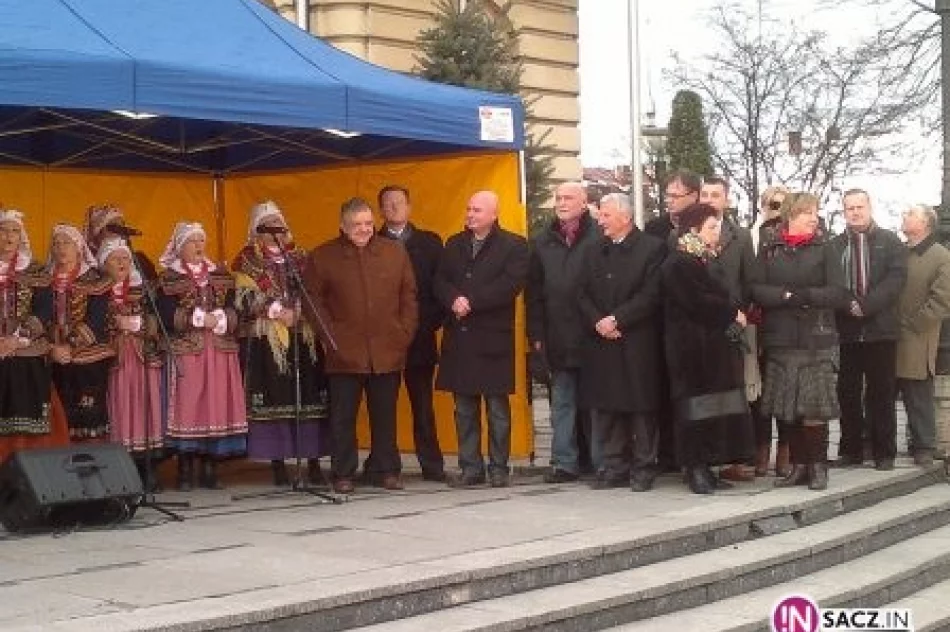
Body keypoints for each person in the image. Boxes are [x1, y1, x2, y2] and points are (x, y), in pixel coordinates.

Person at [303, 197, 417, 494]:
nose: (364, 229)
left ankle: (386, 469)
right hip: (344, 352)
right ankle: (343, 473)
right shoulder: (323, 256)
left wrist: (403, 334)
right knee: (342, 417)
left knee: (385, 416)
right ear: (343, 226)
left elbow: (409, 297)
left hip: (387, 350)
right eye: (357, 225)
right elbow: (312, 302)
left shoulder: (395, 253)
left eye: (368, 223)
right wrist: (330, 338)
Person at [751, 193, 850, 490]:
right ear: (791, 215)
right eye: (808, 212)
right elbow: (755, 287)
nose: (814, 217)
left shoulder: (826, 248)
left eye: (816, 212)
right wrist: (783, 296)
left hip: (816, 338)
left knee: (813, 408)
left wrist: (806, 296)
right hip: (780, 338)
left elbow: (839, 292)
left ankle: (818, 467)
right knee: (789, 407)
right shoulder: (770, 247)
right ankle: (799, 466)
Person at [435, 190, 529, 488]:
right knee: (464, 409)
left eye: (477, 210)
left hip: (492, 339)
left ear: (493, 214)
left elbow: (509, 284)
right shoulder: (454, 243)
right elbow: (439, 279)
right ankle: (470, 467)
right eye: (468, 208)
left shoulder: (513, 245)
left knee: (497, 409)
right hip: (461, 339)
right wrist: (453, 299)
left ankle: (498, 467)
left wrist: (471, 301)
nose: (470, 214)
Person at [233, 201, 329, 487]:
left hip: (302, 336)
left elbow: (316, 289)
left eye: (279, 224)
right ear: (256, 231)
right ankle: (277, 463)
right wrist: (275, 310)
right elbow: (242, 299)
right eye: (268, 225)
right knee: (275, 398)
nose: (276, 231)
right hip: (268, 340)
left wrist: (300, 310)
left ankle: (312, 461)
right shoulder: (246, 260)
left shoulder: (301, 257)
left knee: (310, 397)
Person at [661, 203, 754, 494]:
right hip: (690, 350)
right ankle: (694, 468)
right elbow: (696, 301)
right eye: (711, 228)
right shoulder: (678, 262)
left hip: (712, 347)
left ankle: (709, 465)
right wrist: (730, 311)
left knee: (713, 409)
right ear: (693, 230)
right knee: (694, 409)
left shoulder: (707, 259)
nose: (717, 233)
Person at [577, 193, 664, 492]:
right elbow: (581, 292)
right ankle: (614, 465)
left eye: (606, 215)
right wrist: (598, 320)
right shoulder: (593, 250)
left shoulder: (652, 249)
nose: (600, 221)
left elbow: (651, 294)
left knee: (640, 407)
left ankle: (643, 465)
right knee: (608, 405)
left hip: (636, 339)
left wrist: (618, 319)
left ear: (625, 217)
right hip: (602, 339)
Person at [157, 222, 247, 490]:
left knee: (215, 406)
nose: (198, 246)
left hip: (219, 351)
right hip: (188, 351)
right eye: (191, 241)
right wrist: (197, 318)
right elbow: (164, 312)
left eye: (200, 240)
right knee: (189, 407)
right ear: (179, 247)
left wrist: (220, 317)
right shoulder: (168, 279)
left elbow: (234, 308)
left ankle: (210, 468)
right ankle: (185, 469)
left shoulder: (219, 275)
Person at [829, 189, 907, 470]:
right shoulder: (835, 245)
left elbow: (896, 280)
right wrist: (848, 304)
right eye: (849, 208)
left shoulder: (890, 241)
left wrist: (867, 305)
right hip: (847, 330)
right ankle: (850, 450)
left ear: (870, 207)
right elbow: (832, 281)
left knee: (881, 393)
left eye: (860, 206)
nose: (855, 212)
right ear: (844, 212)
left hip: (880, 329)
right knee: (847, 392)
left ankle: (884, 452)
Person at [527, 181, 599, 483]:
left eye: (569, 197)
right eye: (558, 198)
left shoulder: (598, 237)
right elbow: (534, 294)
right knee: (562, 403)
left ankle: (600, 462)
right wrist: (536, 335)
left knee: (595, 404)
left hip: (593, 335)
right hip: (557, 334)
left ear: (584, 203)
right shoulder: (543, 241)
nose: (561, 202)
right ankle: (564, 463)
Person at [376, 185, 446, 481]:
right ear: (380, 210)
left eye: (399, 202)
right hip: (383, 340)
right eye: (387, 204)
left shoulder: (430, 243)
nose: (393, 208)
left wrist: (426, 324)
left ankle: (432, 465)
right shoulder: (372, 242)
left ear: (409, 206)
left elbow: (440, 288)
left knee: (422, 405)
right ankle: (385, 465)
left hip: (420, 337)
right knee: (384, 406)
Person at [699, 176, 759, 483]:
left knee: (733, 393)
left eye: (716, 194)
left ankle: (732, 458)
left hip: (732, 326)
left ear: (727, 199)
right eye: (705, 194)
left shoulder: (741, 235)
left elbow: (750, 279)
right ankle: (706, 460)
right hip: (700, 328)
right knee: (705, 394)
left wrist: (740, 311)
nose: (709, 199)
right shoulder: (683, 235)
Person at [0, 209, 68, 465]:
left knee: (24, 371)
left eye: (14, 231)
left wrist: (15, 339)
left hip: (26, 347)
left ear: (21, 237)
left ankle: (28, 464)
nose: (8, 237)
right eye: (4, 230)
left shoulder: (36, 270)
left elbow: (43, 309)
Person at [99, 237, 164, 490]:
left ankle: (147, 468)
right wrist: (115, 324)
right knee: (121, 408)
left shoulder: (142, 290)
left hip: (142, 357)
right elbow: (91, 321)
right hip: (115, 360)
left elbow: (156, 322)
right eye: (116, 259)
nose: (122, 263)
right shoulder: (98, 292)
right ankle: (122, 467)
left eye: (126, 258)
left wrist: (139, 324)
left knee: (145, 408)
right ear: (104, 263)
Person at [44, 224, 114, 440]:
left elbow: (95, 319)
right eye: (56, 243)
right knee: (58, 413)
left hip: (89, 357)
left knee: (88, 412)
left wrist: (68, 345)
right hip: (53, 358)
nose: (61, 248)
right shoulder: (43, 280)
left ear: (79, 248)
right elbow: (40, 315)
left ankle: (91, 464)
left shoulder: (96, 280)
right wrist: (52, 348)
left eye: (67, 243)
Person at [895, 204, 950, 467]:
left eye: (910, 214)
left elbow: (942, 301)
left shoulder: (941, 256)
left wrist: (914, 324)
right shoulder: (899, 252)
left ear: (926, 223)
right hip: (890, 334)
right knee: (880, 392)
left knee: (918, 394)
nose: (904, 217)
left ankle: (924, 446)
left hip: (918, 337)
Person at [750, 185, 792, 476]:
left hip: (787, 323)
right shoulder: (753, 235)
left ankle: (786, 449)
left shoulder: (793, 238)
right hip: (758, 322)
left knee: (786, 389)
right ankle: (761, 447)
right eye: (771, 205)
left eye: (781, 205)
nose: (776, 210)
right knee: (759, 390)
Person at [85, 203, 159, 282]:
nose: (118, 232)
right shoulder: (89, 268)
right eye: (113, 228)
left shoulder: (140, 260)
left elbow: (157, 288)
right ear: (98, 235)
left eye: (121, 225)